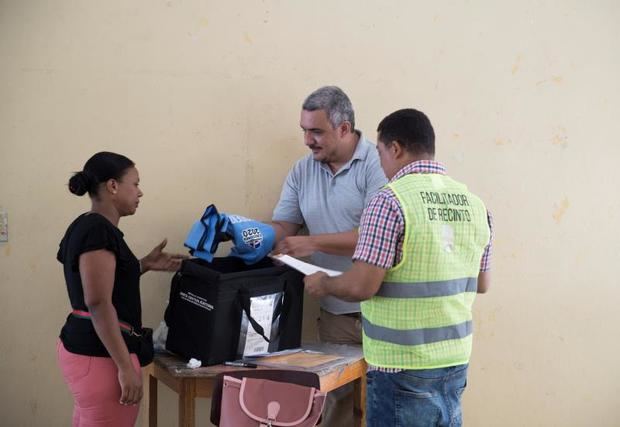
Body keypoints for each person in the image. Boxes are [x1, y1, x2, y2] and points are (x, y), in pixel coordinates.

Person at [304, 108, 494, 427]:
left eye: (380, 153)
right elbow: (483, 283)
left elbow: (361, 286)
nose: (381, 163)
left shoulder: (390, 201)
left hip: (402, 366)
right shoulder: (474, 204)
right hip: (455, 360)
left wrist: (324, 284)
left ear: (395, 148)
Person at [271, 86, 387, 425]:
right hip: (334, 315)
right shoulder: (301, 170)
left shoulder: (378, 165)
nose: (308, 140)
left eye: (316, 131)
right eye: (304, 131)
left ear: (344, 129)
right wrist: (252, 235)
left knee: (386, 408)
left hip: (382, 311)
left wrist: (314, 243)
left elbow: (379, 236)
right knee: (336, 411)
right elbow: (284, 226)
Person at [56, 152, 186, 427]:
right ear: (113, 186)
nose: (140, 192)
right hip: (102, 357)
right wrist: (126, 366)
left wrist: (144, 264)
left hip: (89, 350)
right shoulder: (97, 230)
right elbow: (98, 301)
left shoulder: (86, 226)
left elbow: (99, 282)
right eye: (135, 184)